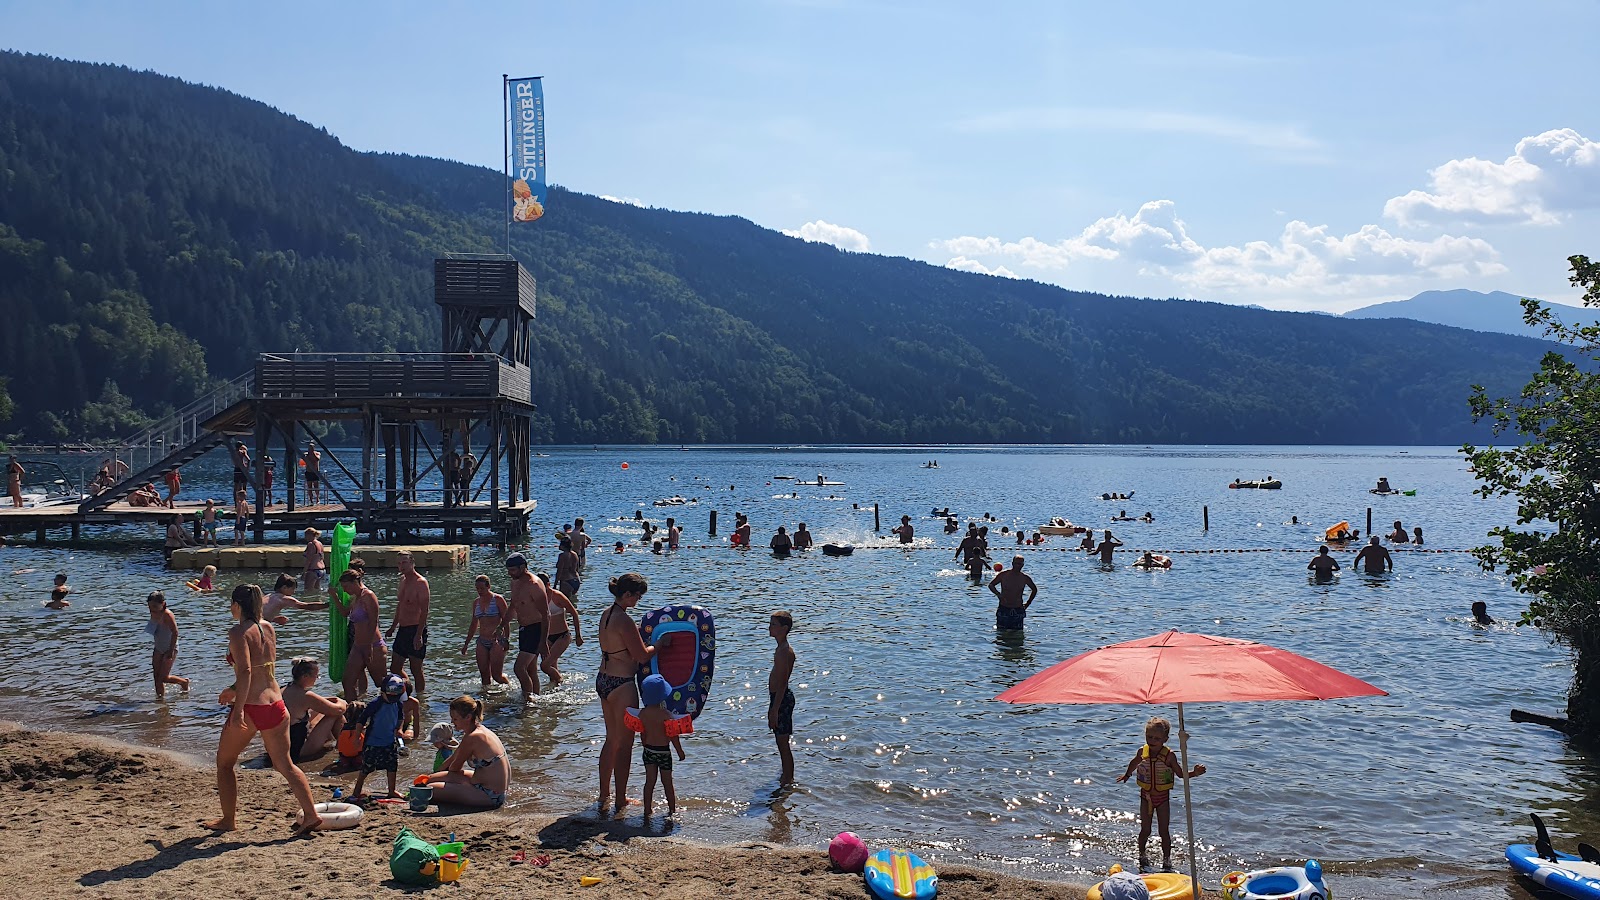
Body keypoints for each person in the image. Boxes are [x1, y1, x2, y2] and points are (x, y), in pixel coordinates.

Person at [207, 584, 321, 834]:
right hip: (276, 703)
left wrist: (237, 709)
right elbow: (261, 668)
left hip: (251, 706)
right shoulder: (267, 627)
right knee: (286, 764)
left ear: (236, 605)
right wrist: (233, 687)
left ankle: (228, 820)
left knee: (224, 763)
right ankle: (311, 815)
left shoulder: (237, 633)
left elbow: (247, 670)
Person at [596, 573, 658, 815]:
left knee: (611, 740)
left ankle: (604, 794)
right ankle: (620, 798)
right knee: (626, 745)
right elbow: (642, 655)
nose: (639, 600)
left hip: (603, 679)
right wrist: (660, 646)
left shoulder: (607, 613)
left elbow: (621, 642)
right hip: (622, 683)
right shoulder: (624, 619)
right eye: (638, 595)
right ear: (627, 594)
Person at [1116, 716, 1205, 874]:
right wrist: (1127, 775)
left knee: (1164, 831)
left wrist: (1194, 773)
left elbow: (1180, 774)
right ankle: (1142, 855)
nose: (1152, 740)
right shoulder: (1142, 751)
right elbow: (1134, 762)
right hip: (1146, 797)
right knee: (1145, 830)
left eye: (1157, 738)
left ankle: (1167, 860)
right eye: (1149, 737)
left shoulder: (1169, 756)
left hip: (1163, 799)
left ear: (1165, 739)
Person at [424, 695, 509, 809]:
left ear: (468, 717)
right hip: (489, 787)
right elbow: (455, 755)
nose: (452, 722)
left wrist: (443, 774)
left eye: (455, 719)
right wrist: (438, 772)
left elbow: (454, 768)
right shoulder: (479, 730)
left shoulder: (473, 737)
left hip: (490, 795)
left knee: (429, 789)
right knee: (428, 779)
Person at [351, 674, 407, 800]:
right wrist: (356, 737)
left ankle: (392, 791)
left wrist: (399, 729)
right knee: (366, 767)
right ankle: (356, 791)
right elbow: (362, 720)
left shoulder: (398, 704)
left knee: (392, 766)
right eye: (390, 695)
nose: (393, 698)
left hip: (389, 741)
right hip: (373, 742)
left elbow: (400, 718)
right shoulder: (376, 704)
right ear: (383, 691)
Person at [333, 568, 387, 701]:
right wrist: (334, 597)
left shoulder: (368, 596)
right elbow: (345, 613)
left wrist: (368, 645)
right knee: (347, 682)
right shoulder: (355, 598)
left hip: (373, 645)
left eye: (346, 586)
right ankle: (354, 712)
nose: (345, 590)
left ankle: (403, 703)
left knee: (381, 683)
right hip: (358, 646)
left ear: (355, 582)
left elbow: (374, 621)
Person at [638, 673, 687, 819]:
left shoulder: (643, 714)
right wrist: (680, 752)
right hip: (663, 752)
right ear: (662, 695)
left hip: (648, 751)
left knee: (649, 782)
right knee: (667, 783)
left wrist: (645, 745)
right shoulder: (666, 715)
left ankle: (647, 810)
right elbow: (672, 736)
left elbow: (642, 733)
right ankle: (672, 810)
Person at [281, 656, 346, 763]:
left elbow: (311, 704)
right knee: (335, 715)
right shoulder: (306, 696)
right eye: (316, 676)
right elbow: (339, 710)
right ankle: (345, 749)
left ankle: (334, 742)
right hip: (298, 751)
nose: (318, 678)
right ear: (305, 676)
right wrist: (341, 701)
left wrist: (330, 700)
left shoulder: (284, 689)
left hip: (283, 747)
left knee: (322, 712)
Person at [386, 550, 431, 697]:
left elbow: (424, 611)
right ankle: (406, 689)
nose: (401, 566)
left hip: (416, 629)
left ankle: (421, 698)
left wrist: (419, 635)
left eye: (404, 562)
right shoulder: (403, 580)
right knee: (395, 667)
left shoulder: (421, 583)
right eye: (399, 563)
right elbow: (401, 605)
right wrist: (393, 626)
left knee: (416, 668)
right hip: (402, 629)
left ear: (412, 563)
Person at [505, 552, 548, 701]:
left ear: (523, 567)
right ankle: (537, 698)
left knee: (519, 668)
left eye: (513, 570)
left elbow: (545, 614)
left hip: (536, 629)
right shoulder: (515, 582)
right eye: (508, 570)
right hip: (523, 629)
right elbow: (513, 606)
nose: (510, 573)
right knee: (530, 669)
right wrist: (502, 625)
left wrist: (543, 642)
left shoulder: (534, 585)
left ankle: (527, 700)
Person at [463, 574, 512, 692]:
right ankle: (486, 700)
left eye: (482, 588)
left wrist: (506, 640)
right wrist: (466, 644)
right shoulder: (476, 603)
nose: (479, 591)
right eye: (477, 589)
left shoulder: (498, 600)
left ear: (488, 586)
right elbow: (474, 624)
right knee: (484, 676)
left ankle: (509, 690)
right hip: (482, 641)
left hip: (497, 641)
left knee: (497, 675)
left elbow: (506, 621)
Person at [536, 572, 583, 685]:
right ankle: (555, 692)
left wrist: (578, 635)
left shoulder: (557, 596)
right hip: (546, 638)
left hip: (562, 636)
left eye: (543, 586)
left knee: (545, 666)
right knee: (551, 669)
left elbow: (574, 613)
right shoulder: (536, 597)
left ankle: (561, 683)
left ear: (548, 584)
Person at [769, 610, 797, 786]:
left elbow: (783, 683)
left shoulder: (784, 651)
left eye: (773, 625)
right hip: (778, 698)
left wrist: (774, 710)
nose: (769, 627)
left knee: (782, 743)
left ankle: (787, 779)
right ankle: (785, 775)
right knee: (781, 741)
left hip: (781, 699)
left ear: (784, 628)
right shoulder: (780, 648)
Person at [146, 591, 189, 699]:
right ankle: (160, 700)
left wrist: (170, 650)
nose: (152, 609)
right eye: (150, 606)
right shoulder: (154, 613)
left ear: (163, 604)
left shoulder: (167, 615)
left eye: (155, 606)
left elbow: (175, 632)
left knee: (164, 677)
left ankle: (183, 682)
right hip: (158, 647)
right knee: (156, 676)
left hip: (170, 647)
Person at [990, 556, 1038, 631]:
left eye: (1020, 564)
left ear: (1023, 565)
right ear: (1012, 563)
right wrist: (998, 594)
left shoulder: (1024, 578)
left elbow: (1034, 589)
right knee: (1001, 634)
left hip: (1018, 609)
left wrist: (1028, 603)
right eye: (1016, 563)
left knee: (1017, 635)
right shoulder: (1004, 575)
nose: (1018, 566)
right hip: (1004, 607)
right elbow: (991, 585)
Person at [335, 701, 367, 774]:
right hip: (358, 755)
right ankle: (356, 764)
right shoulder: (362, 729)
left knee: (345, 763)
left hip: (344, 756)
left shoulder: (343, 728)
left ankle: (346, 764)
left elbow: (337, 746)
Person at [302, 528, 326, 595]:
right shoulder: (320, 543)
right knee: (317, 591)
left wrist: (304, 572)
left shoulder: (311, 544)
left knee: (307, 591)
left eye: (305, 535)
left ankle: (309, 604)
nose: (305, 537)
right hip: (321, 570)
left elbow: (309, 560)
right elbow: (322, 557)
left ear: (309, 535)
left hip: (313, 570)